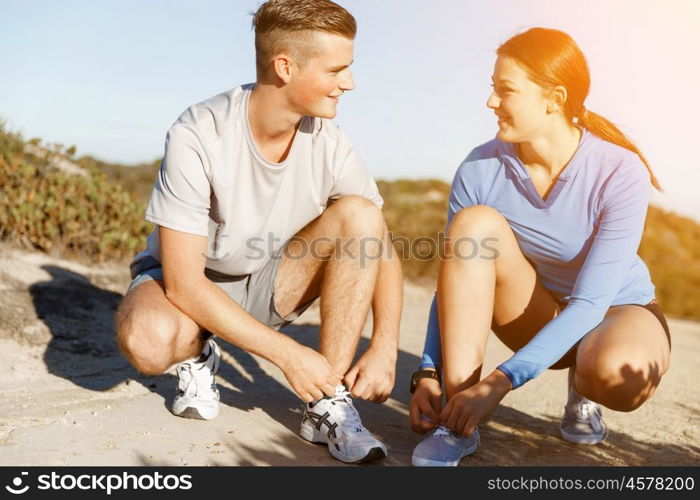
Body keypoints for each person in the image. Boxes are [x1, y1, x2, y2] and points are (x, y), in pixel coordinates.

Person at [114, 0, 402, 465]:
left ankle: (325, 404)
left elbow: (378, 242)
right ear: (285, 67)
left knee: (362, 214)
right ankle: (198, 351)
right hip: (190, 285)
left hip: (271, 281)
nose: (348, 82)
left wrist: (385, 344)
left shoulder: (330, 141)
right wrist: (287, 354)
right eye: (336, 70)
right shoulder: (199, 132)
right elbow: (185, 282)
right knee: (148, 341)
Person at [408, 27, 671, 467]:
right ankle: (454, 423)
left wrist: (498, 383)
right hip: (538, 311)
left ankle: (583, 390)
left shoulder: (619, 170)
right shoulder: (479, 168)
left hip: (613, 310)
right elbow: (452, 283)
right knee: (473, 226)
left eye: (505, 90)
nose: (491, 102)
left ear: (554, 98)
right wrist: (429, 372)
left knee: (611, 375)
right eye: (492, 89)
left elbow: (590, 303)